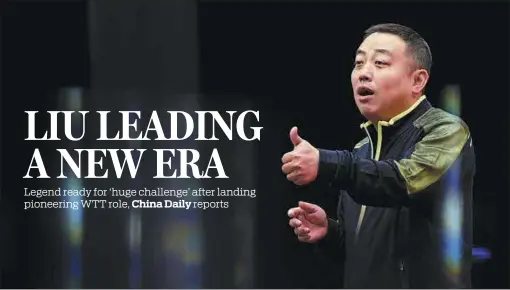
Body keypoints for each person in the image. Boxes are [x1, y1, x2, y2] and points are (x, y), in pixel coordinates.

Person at [281, 23, 475, 288]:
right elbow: (365, 256)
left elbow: (402, 181)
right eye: (359, 63)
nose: (363, 73)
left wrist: (326, 163)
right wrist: (330, 232)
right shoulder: (362, 149)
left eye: (380, 63)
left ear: (418, 80)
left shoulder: (446, 131)